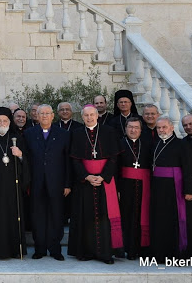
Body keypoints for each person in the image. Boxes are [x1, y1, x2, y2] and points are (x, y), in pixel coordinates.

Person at [67, 105, 123, 264]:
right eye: (86, 115)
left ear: (97, 115)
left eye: (92, 115)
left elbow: (113, 158)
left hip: (105, 182)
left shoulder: (109, 132)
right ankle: (86, 252)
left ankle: (106, 253)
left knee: (105, 217)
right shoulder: (76, 133)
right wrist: (87, 176)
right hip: (84, 182)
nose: (89, 118)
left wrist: (104, 176)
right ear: (82, 117)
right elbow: (75, 160)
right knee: (85, 216)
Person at [23, 104, 71, 260]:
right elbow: (27, 160)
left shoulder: (63, 134)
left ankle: (55, 249)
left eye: (47, 113)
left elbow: (67, 161)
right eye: (41, 113)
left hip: (56, 183)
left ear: (53, 116)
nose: (44, 116)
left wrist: (67, 183)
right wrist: (27, 182)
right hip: (36, 182)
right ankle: (40, 248)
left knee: (56, 216)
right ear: (36, 115)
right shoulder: (29, 133)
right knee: (38, 216)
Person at [0, 107, 29, 259]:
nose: (2, 123)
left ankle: (15, 249)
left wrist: (20, 155)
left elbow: (27, 162)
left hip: (12, 187)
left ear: (10, 122)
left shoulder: (17, 138)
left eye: (5, 121)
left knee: (12, 216)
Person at [150, 115, 192, 261]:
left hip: (175, 187)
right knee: (160, 221)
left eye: (164, 127)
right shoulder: (155, 143)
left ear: (171, 127)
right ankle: (160, 254)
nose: (161, 130)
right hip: (158, 188)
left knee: (176, 221)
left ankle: (177, 254)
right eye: (158, 127)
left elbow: (189, 168)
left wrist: (189, 190)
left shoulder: (182, 144)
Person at [117, 117, 152, 260]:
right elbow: (115, 168)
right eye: (130, 127)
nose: (133, 130)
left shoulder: (148, 145)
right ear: (125, 129)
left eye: (136, 127)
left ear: (141, 130)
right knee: (127, 217)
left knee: (141, 217)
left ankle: (142, 249)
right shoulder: (119, 144)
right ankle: (128, 248)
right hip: (125, 187)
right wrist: (117, 188)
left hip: (144, 186)